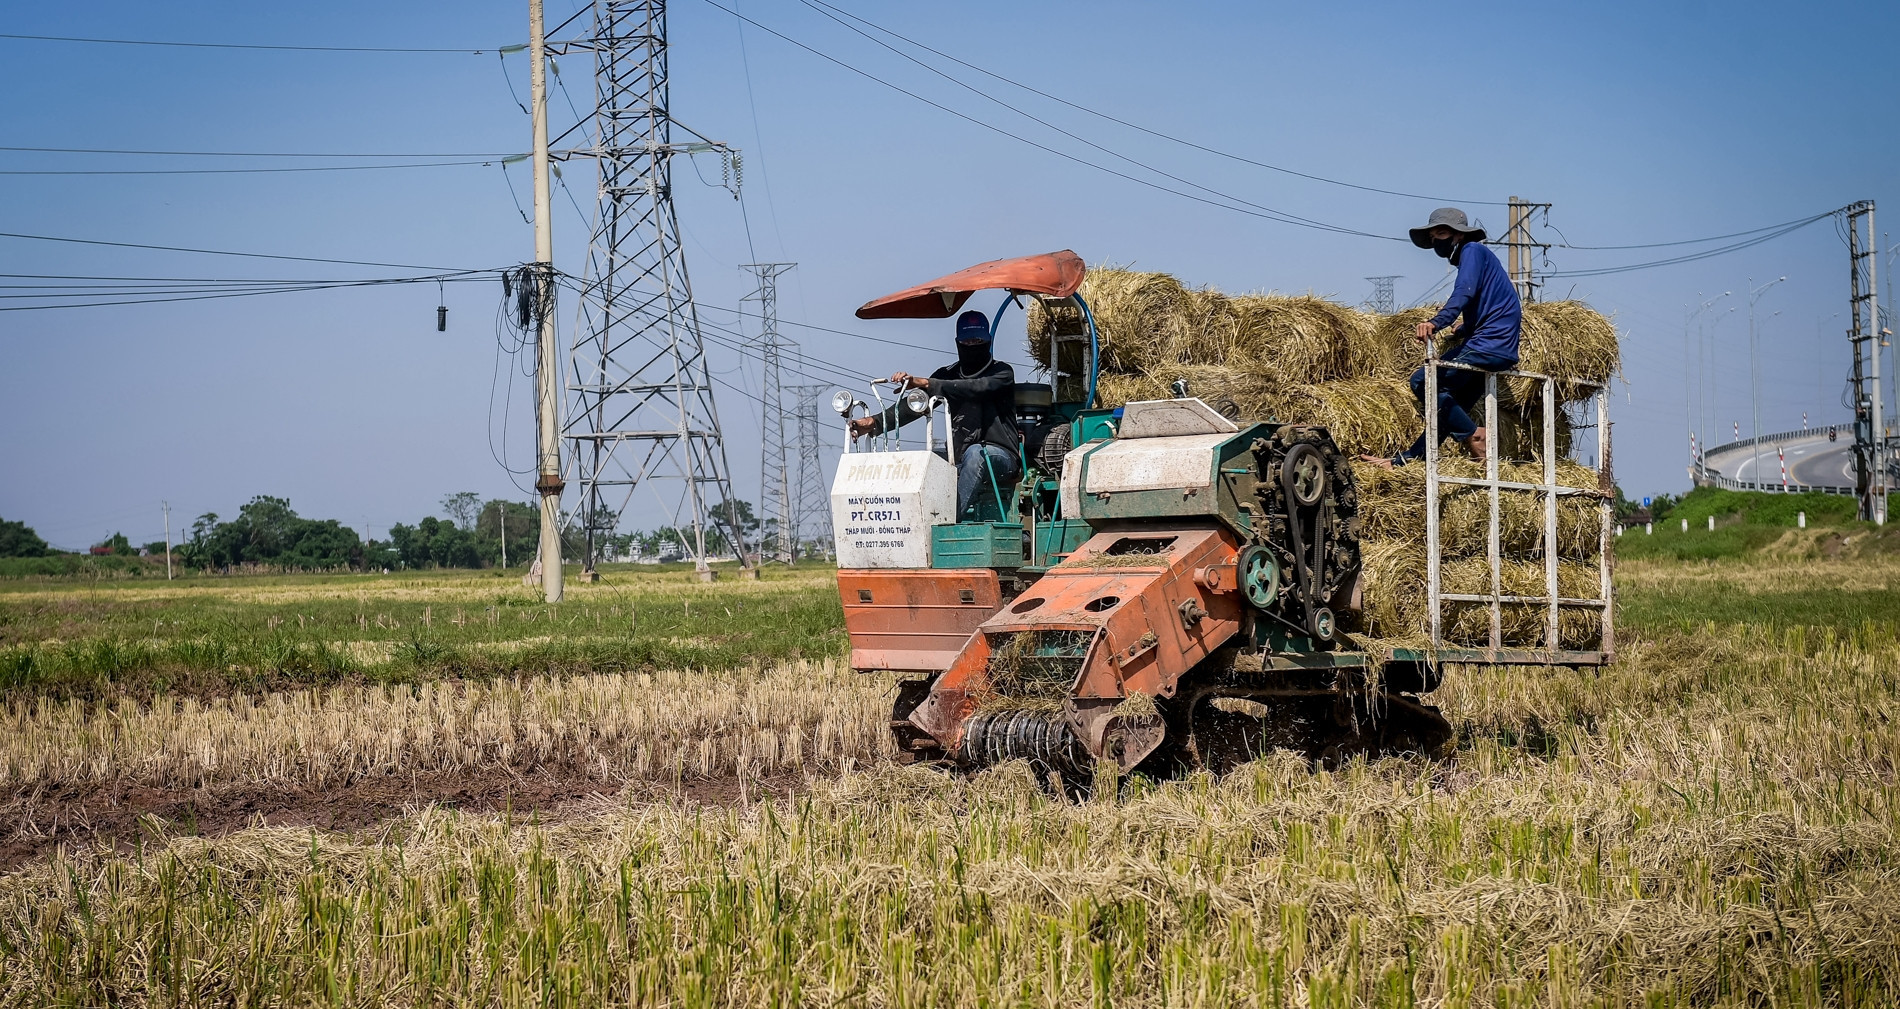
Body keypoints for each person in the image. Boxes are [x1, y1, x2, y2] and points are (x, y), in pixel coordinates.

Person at [1367, 207, 1522, 468]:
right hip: (1494, 345)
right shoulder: (1478, 258)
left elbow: (1464, 292)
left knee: (1421, 380)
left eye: (1441, 232)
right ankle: (1405, 460)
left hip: (1488, 345)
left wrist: (1436, 322)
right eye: (1433, 235)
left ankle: (1475, 435)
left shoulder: (1473, 250)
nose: (1436, 240)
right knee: (1448, 410)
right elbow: (1486, 306)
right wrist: (1463, 327)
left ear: (1459, 236)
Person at [848, 309, 1021, 516]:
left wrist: (927, 383)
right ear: (958, 343)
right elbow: (916, 405)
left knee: (977, 455)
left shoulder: (1002, 372)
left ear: (988, 341)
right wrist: (875, 422)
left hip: (1001, 456)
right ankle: (909, 524)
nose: (973, 346)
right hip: (959, 454)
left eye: (978, 341)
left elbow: (977, 388)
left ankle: (949, 524)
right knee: (924, 464)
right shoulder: (947, 374)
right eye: (967, 342)